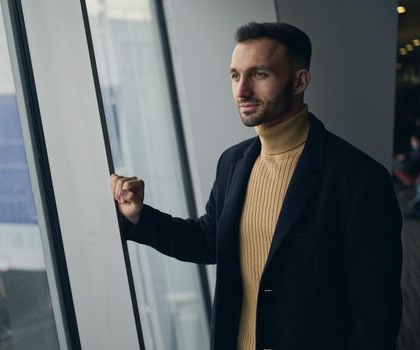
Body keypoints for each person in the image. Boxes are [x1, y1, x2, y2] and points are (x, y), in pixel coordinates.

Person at [110, 22, 402, 350]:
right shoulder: (233, 162)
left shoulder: (360, 179)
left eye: (259, 74)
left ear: (299, 81)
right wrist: (138, 217)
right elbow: (209, 241)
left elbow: (376, 315)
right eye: (235, 75)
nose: (241, 90)